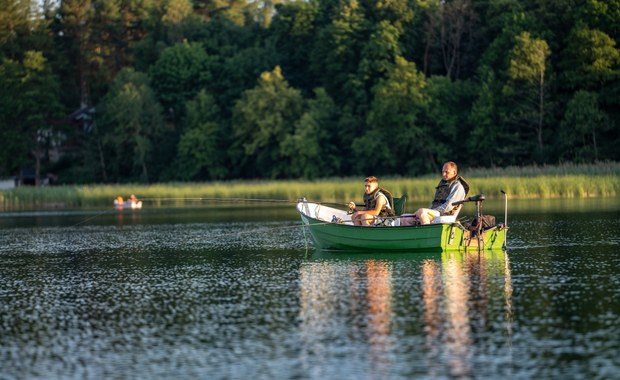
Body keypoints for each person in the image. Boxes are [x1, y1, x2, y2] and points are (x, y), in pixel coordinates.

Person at [402, 161, 469, 225]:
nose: (443, 174)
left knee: (421, 211)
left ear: (454, 172)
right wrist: (427, 212)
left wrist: (429, 211)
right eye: (443, 172)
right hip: (436, 212)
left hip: (445, 214)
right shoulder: (443, 185)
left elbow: (449, 206)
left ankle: (428, 233)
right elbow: (434, 202)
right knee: (404, 217)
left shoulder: (458, 186)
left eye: (446, 172)